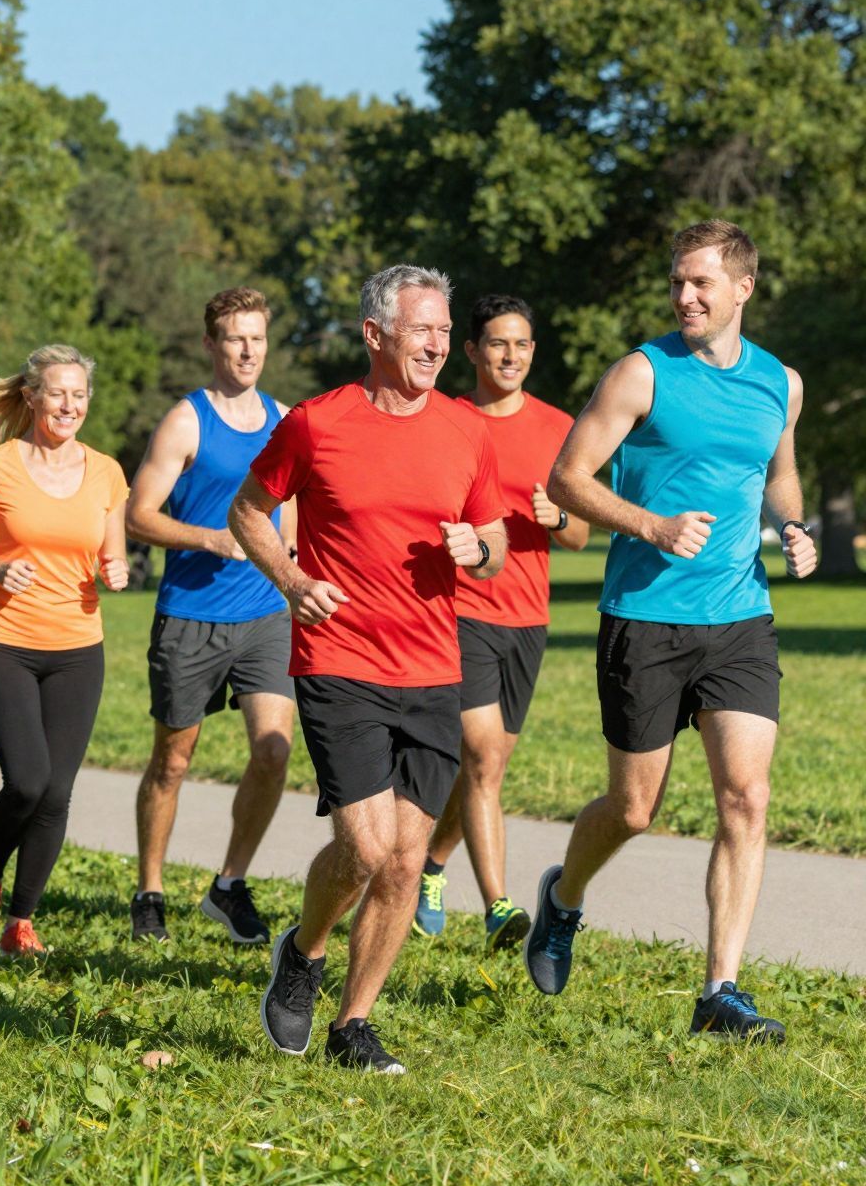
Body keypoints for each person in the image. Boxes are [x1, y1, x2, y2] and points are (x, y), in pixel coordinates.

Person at [525, 219, 817, 1041]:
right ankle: (565, 896)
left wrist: (791, 526)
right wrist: (650, 525)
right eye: (678, 284)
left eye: (701, 284)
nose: (685, 297)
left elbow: (781, 474)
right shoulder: (641, 373)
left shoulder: (779, 384)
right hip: (645, 619)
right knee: (634, 806)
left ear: (743, 289)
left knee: (746, 799)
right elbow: (568, 479)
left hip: (739, 617)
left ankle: (720, 991)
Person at [229, 264, 507, 1074]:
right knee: (366, 845)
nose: (439, 344)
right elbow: (247, 511)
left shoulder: (465, 430)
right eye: (422, 329)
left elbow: (492, 546)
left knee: (407, 859)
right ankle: (304, 951)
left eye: (446, 332)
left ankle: (354, 1023)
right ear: (376, 334)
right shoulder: (319, 423)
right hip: (340, 658)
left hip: (431, 668)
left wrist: (477, 547)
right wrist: (291, 580)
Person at [415, 295, 588, 946]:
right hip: (459, 610)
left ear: (532, 351)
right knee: (483, 755)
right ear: (472, 351)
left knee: (484, 769)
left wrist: (559, 519)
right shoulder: (445, 420)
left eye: (520, 344)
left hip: (527, 619)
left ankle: (431, 862)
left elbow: (578, 536)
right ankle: (499, 907)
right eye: (496, 344)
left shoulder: (558, 428)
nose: (509, 355)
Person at [125, 288, 296, 947]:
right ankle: (150, 889)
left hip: (264, 613)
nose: (248, 349)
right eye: (234, 337)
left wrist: (296, 577)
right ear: (211, 345)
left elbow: (294, 512)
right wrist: (209, 538)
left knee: (273, 751)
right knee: (172, 762)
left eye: (257, 336)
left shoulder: (286, 420)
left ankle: (229, 884)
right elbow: (139, 514)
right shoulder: (186, 422)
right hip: (191, 614)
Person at [0, 345, 130, 956]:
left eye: (79, 394)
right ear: (31, 397)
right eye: (57, 392)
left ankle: (21, 923)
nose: (69, 405)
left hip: (79, 648)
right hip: (2, 641)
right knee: (27, 780)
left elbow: (112, 548)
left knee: (57, 792)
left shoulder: (107, 472)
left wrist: (116, 567)